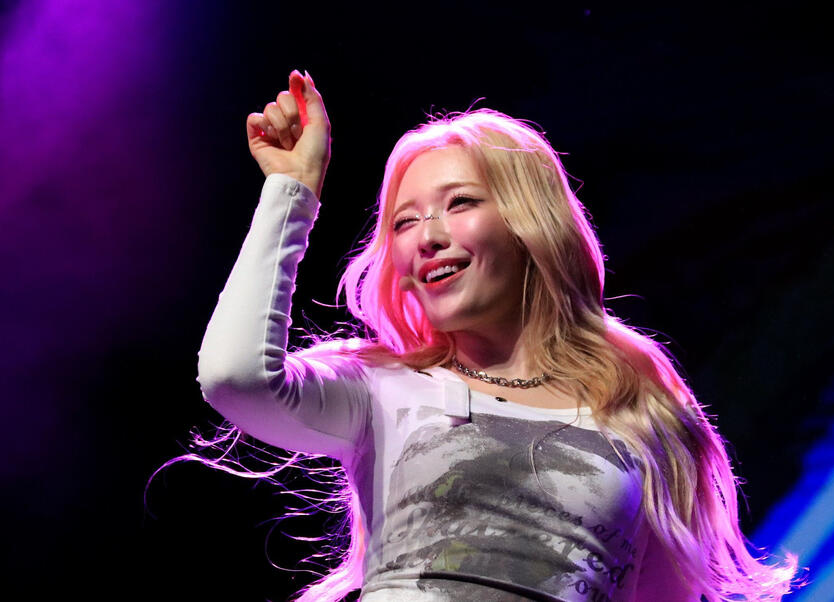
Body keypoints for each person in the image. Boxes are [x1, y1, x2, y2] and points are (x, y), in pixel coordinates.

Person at [196, 69, 799, 601]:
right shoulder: (381, 386)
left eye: (460, 203)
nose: (427, 236)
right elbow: (233, 377)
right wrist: (292, 190)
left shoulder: (637, 406)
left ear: (530, 223)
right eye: (404, 222)